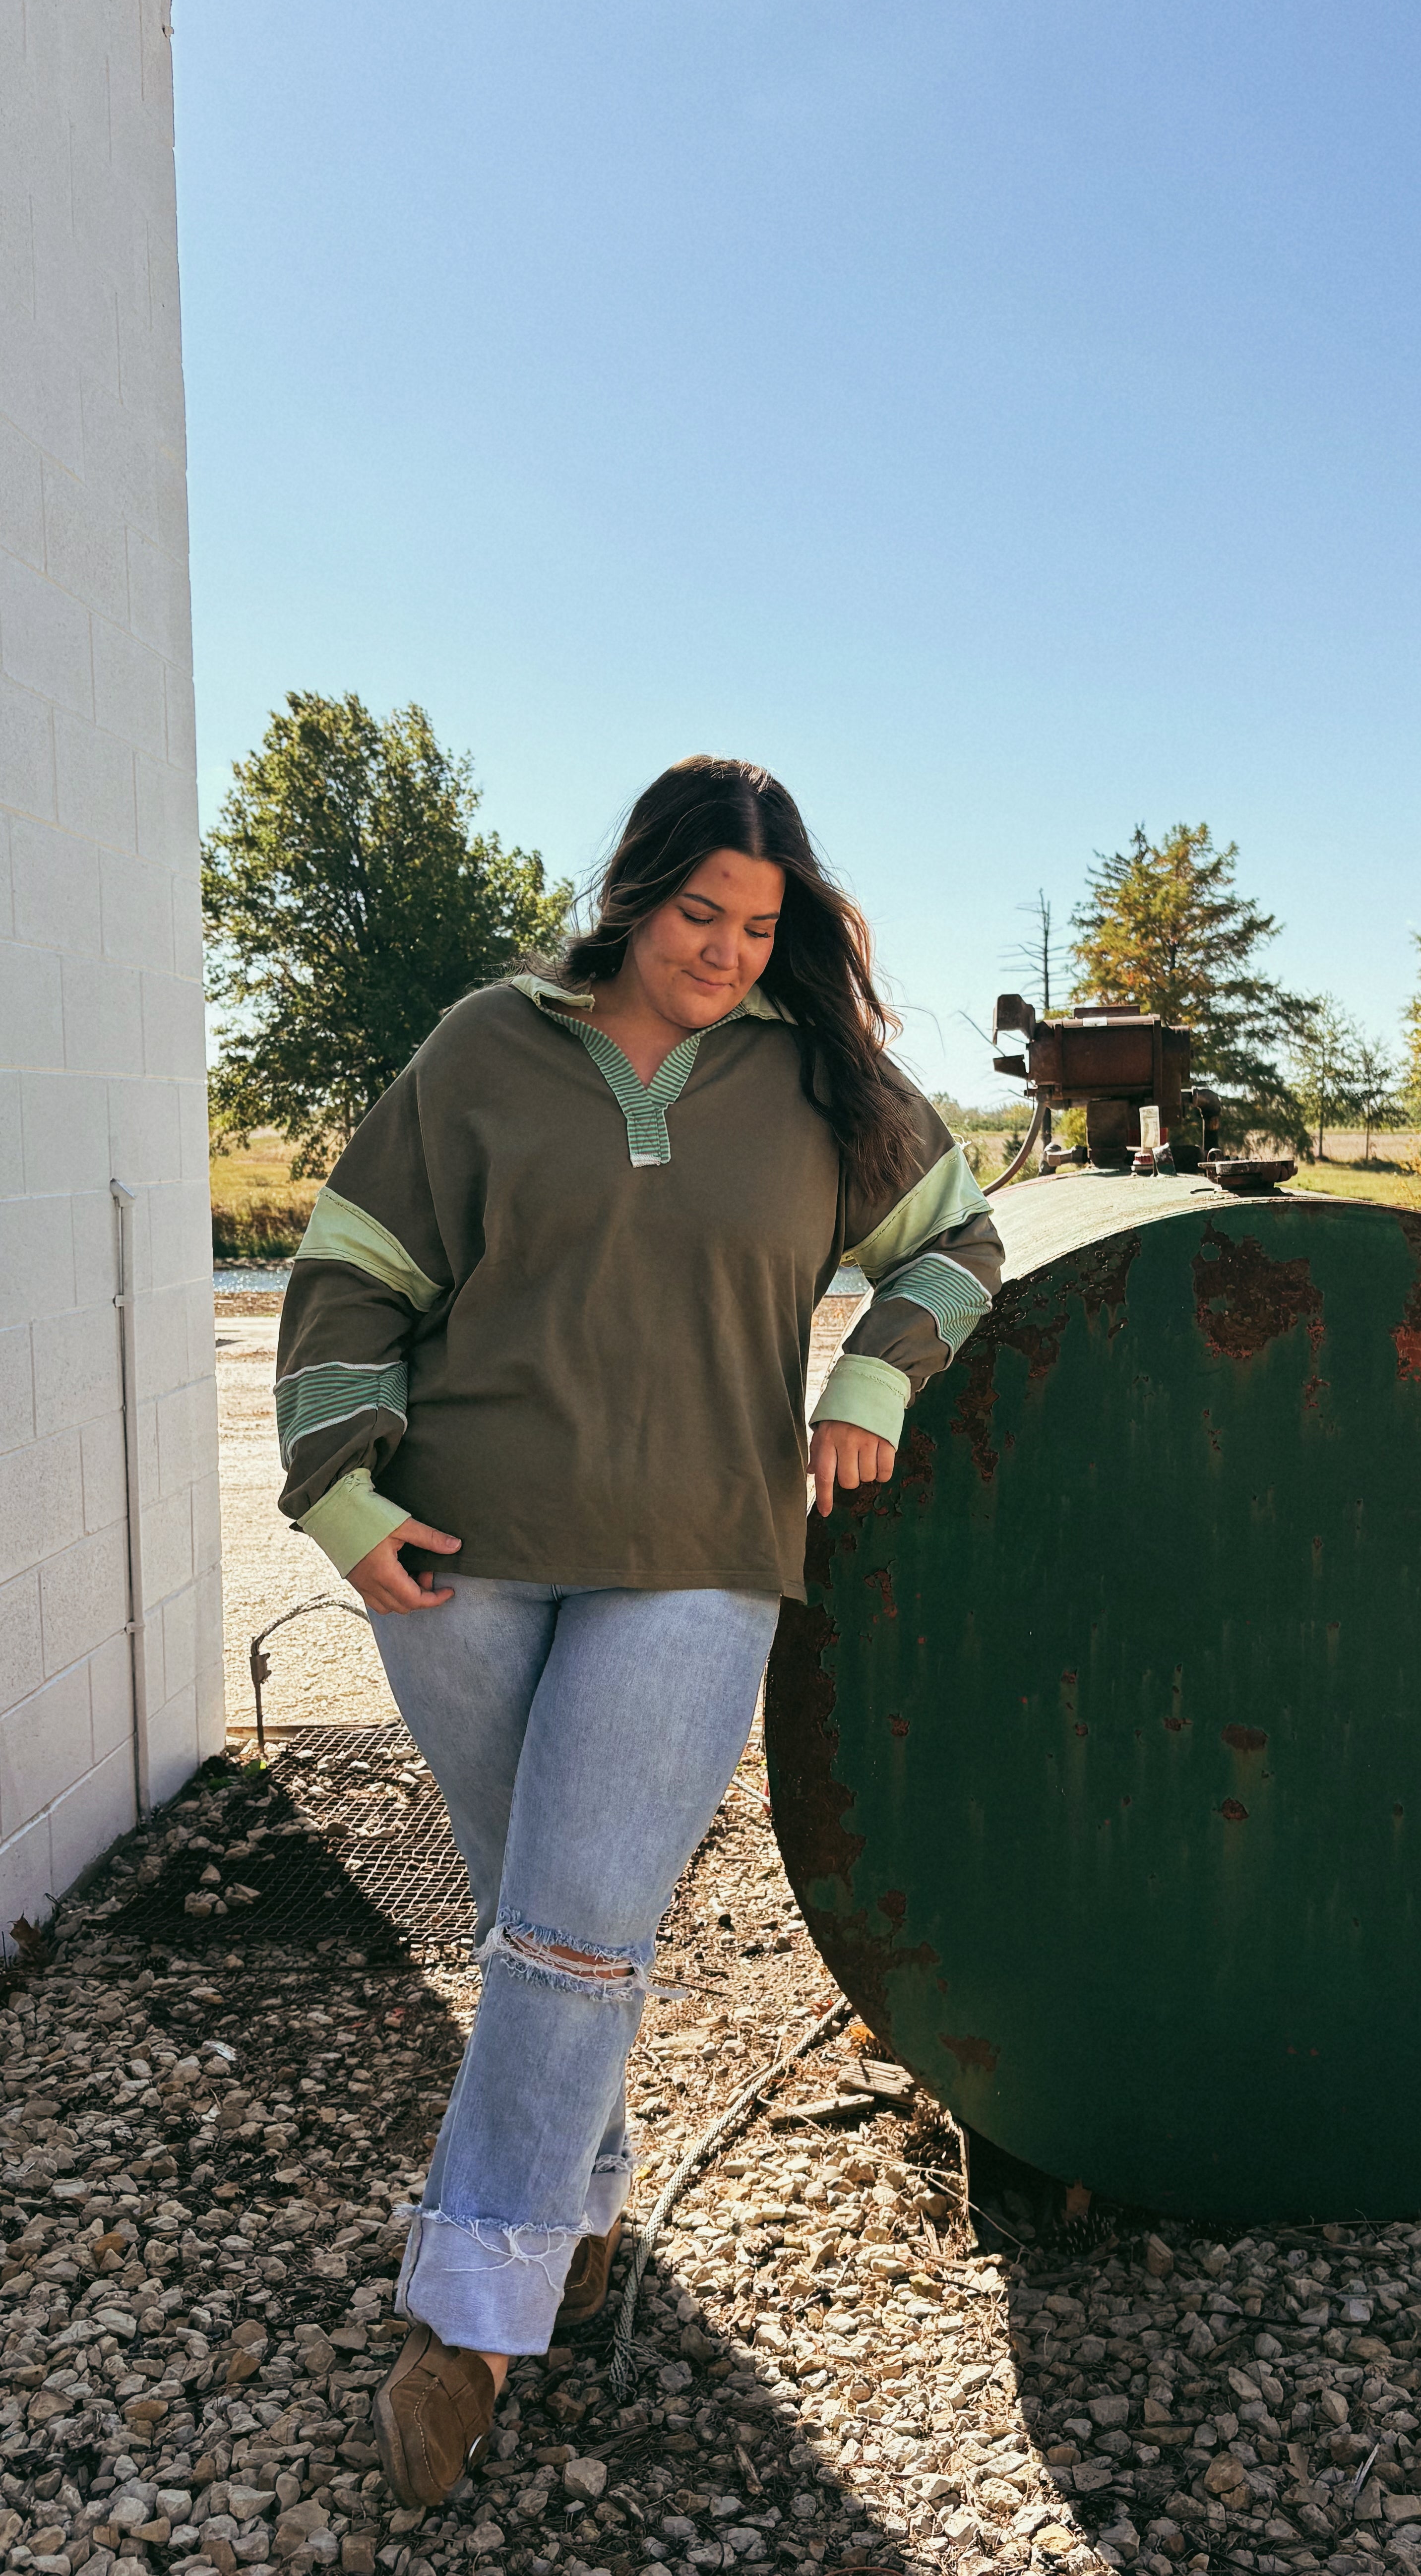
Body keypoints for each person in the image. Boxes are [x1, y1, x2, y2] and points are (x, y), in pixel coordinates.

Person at [271, 755, 1004, 2504]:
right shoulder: (487, 1047)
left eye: (762, 928)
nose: (731, 955)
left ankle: (465, 2314)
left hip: (698, 1555)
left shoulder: (819, 1080)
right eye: (702, 916)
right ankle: (581, 2211)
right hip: (458, 1558)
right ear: (635, 894)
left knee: (581, 1929)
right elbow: (350, 1267)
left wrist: (877, 1379)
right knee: (545, 1918)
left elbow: (958, 1242)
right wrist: (341, 1495)